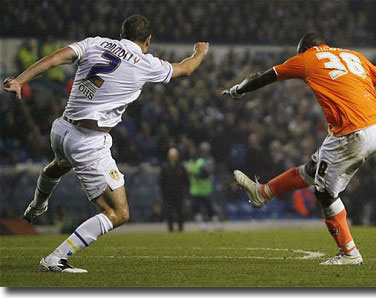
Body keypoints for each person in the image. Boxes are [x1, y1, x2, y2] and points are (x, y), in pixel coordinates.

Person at [222, 32, 376, 265]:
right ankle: (263, 192)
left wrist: (238, 89)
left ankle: (349, 253)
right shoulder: (355, 56)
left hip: (353, 133)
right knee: (313, 169)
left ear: (304, 50)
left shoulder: (306, 59)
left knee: (325, 193)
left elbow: (265, 76)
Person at [3, 15, 209, 273]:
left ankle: (37, 205)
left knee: (56, 166)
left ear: (122, 33)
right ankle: (56, 259)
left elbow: (56, 58)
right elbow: (186, 69)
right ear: (148, 40)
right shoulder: (146, 63)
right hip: (88, 141)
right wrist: (200, 52)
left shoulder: (95, 43)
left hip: (61, 129)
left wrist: (20, 80)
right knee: (119, 212)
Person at [185, 142, 221, 231]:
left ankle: (216, 224)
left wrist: (194, 175)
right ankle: (201, 225)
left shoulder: (201, 162)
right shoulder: (189, 163)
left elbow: (205, 174)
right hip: (195, 190)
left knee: (209, 208)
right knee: (196, 208)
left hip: (204, 189)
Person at [159, 147, 189, 232]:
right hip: (168, 194)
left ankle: (180, 229)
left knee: (180, 211)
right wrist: (164, 192)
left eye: (174, 155)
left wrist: (185, 190)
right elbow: (162, 181)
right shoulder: (165, 167)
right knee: (169, 212)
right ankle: (170, 229)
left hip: (179, 193)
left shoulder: (181, 167)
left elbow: (186, 180)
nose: (173, 157)